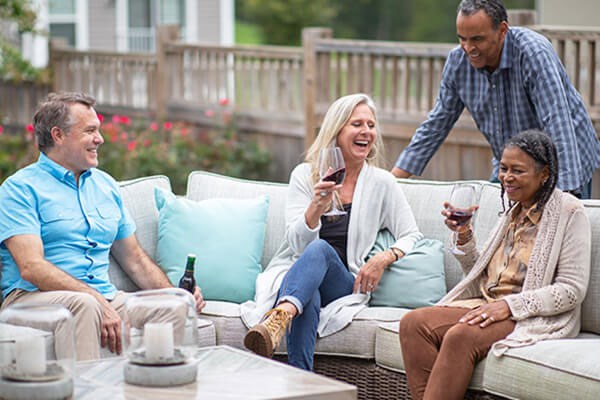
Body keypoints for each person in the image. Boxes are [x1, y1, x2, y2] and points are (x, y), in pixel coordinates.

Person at [0, 92, 206, 360]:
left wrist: (176, 293)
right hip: (32, 299)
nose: (100, 139)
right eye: (90, 131)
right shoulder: (20, 189)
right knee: (84, 304)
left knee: (173, 307)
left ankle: (161, 390)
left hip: (102, 298)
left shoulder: (105, 185)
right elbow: (31, 267)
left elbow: (136, 261)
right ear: (58, 135)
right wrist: (95, 299)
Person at [399, 129, 591, 400]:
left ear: (544, 174)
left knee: (459, 337)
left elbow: (572, 290)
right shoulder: (511, 211)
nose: (507, 178)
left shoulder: (569, 213)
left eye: (518, 171)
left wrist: (509, 306)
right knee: (413, 323)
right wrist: (464, 234)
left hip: (527, 315)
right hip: (487, 304)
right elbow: (481, 275)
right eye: (503, 168)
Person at [241, 93, 423, 370]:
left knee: (321, 250)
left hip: (342, 282)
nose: (366, 132)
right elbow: (296, 246)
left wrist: (383, 258)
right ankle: (301, 381)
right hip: (300, 276)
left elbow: (412, 234)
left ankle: (280, 315)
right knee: (308, 294)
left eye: (371, 125)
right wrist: (316, 206)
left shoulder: (382, 183)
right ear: (336, 131)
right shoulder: (305, 175)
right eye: (357, 124)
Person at [391, 0, 600, 199]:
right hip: (512, 164)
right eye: (462, 38)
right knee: (498, 225)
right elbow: (435, 125)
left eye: (477, 39)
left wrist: (565, 197)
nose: (468, 48)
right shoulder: (458, 63)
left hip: (565, 156)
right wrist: (393, 182)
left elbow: (558, 124)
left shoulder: (533, 53)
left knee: (556, 230)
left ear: (502, 31)